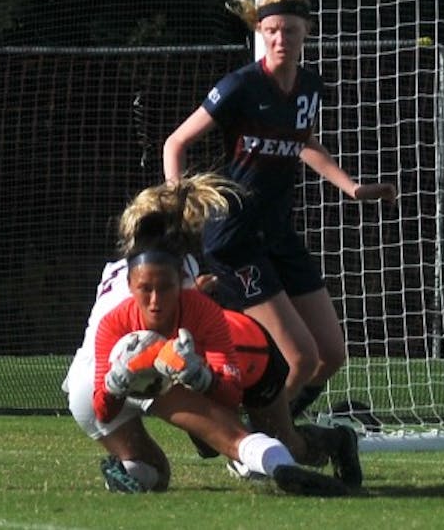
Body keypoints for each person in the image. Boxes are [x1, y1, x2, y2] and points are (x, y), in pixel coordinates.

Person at [162, 0, 397, 421]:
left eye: (289, 29)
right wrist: (178, 203)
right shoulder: (241, 85)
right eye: (270, 30)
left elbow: (304, 142)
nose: (279, 39)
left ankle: (276, 427)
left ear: (307, 31)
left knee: (330, 355)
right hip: (235, 239)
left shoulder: (309, 88)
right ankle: (259, 439)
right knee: (301, 358)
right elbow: (175, 143)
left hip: (278, 233)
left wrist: (352, 187)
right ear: (260, 33)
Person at [62, 174, 362, 495]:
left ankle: (137, 470)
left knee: (157, 472)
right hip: (134, 367)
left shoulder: (116, 272)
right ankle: (278, 460)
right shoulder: (182, 277)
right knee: (250, 442)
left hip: (90, 378)